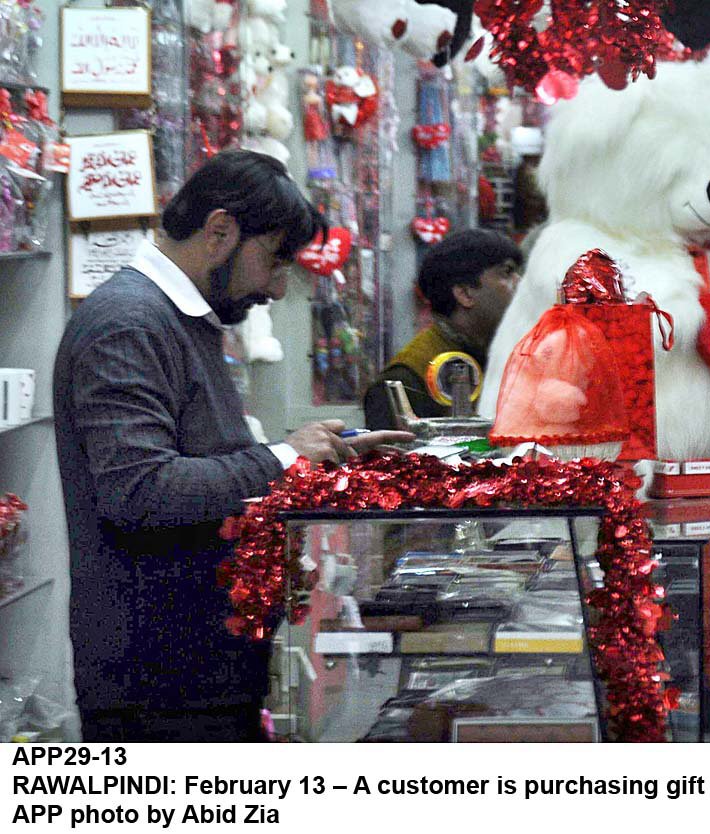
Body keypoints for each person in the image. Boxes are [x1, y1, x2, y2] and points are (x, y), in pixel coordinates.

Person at [54, 150, 411, 742]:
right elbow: (139, 490)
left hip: (200, 663)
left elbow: (201, 457)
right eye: (273, 259)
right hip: (158, 681)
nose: (275, 286)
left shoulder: (177, 317)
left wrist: (317, 454)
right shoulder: (129, 324)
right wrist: (285, 457)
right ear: (220, 230)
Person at [362, 229, 522, 428]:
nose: (520, 282)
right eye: (507, 272)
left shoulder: (510, 356)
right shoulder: (406, 380)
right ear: (465, 294)